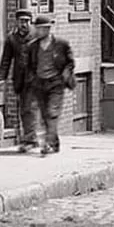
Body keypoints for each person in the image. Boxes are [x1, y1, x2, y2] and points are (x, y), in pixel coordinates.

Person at [27, 14, 75, 156]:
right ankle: (54, 141)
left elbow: (70, 62)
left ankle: (47, 144)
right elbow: (30, 66)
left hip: (56, 83)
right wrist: (32, 80)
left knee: (52, 113)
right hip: (40, 84)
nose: (37, 31)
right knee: (44, 115)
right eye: (36, 28)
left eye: (40, 29)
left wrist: (66, 73)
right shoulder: (33, 47)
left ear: (47, 29)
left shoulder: (61, 44)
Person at [0, 8, 37, 153]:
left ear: (30, 22)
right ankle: (30, 138)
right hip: (20, 79)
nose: (24, 24)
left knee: (28, 108)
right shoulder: (11, 39)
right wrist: (1, 78)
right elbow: (6, 60)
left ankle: (30, 139)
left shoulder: (37, 36)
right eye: (21, 21)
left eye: (26, 21)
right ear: (17, 22)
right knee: (24, 109)